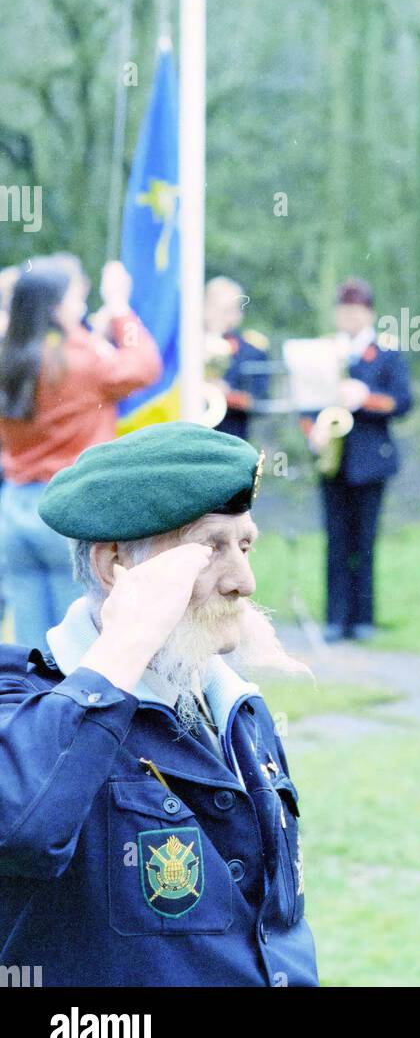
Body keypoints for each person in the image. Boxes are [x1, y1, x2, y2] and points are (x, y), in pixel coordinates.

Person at [0, 421, 317, 987]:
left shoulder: (232, 702)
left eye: (244, 545)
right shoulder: (21, 700)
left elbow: (278, 925)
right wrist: (127, 640)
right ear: (114, 565)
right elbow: (26, 828)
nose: (242, 581)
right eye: (209, 548)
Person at [0, 257, 161, 649]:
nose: (81, 306)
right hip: (68, 507)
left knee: (32, 650)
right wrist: (120, 310)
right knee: (81, 644)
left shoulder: (9, 357)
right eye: (76, 297)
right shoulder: (82, 360)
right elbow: (145, 365)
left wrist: (90, 335)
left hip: (15, 509)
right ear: (56, 307)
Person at [302, 278, 412, 642]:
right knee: (335, 540)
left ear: (369, 313)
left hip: (369, 459)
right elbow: (307, 399)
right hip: (333, 459)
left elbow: (402, 402)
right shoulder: (324, 352)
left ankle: (363, 618)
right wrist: (312, 433)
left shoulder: (387, 354)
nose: (348, 316)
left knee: (364, 542)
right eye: (343, 310)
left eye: (356, 310)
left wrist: (365, 397)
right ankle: (335, 618)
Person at [204, 275, 270, 440]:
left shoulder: (251, 351)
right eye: (219, 308)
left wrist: (225, 394)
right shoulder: (186, 345)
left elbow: (257, 399)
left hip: (231, 434)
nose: (227, 317)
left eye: (232, 310)